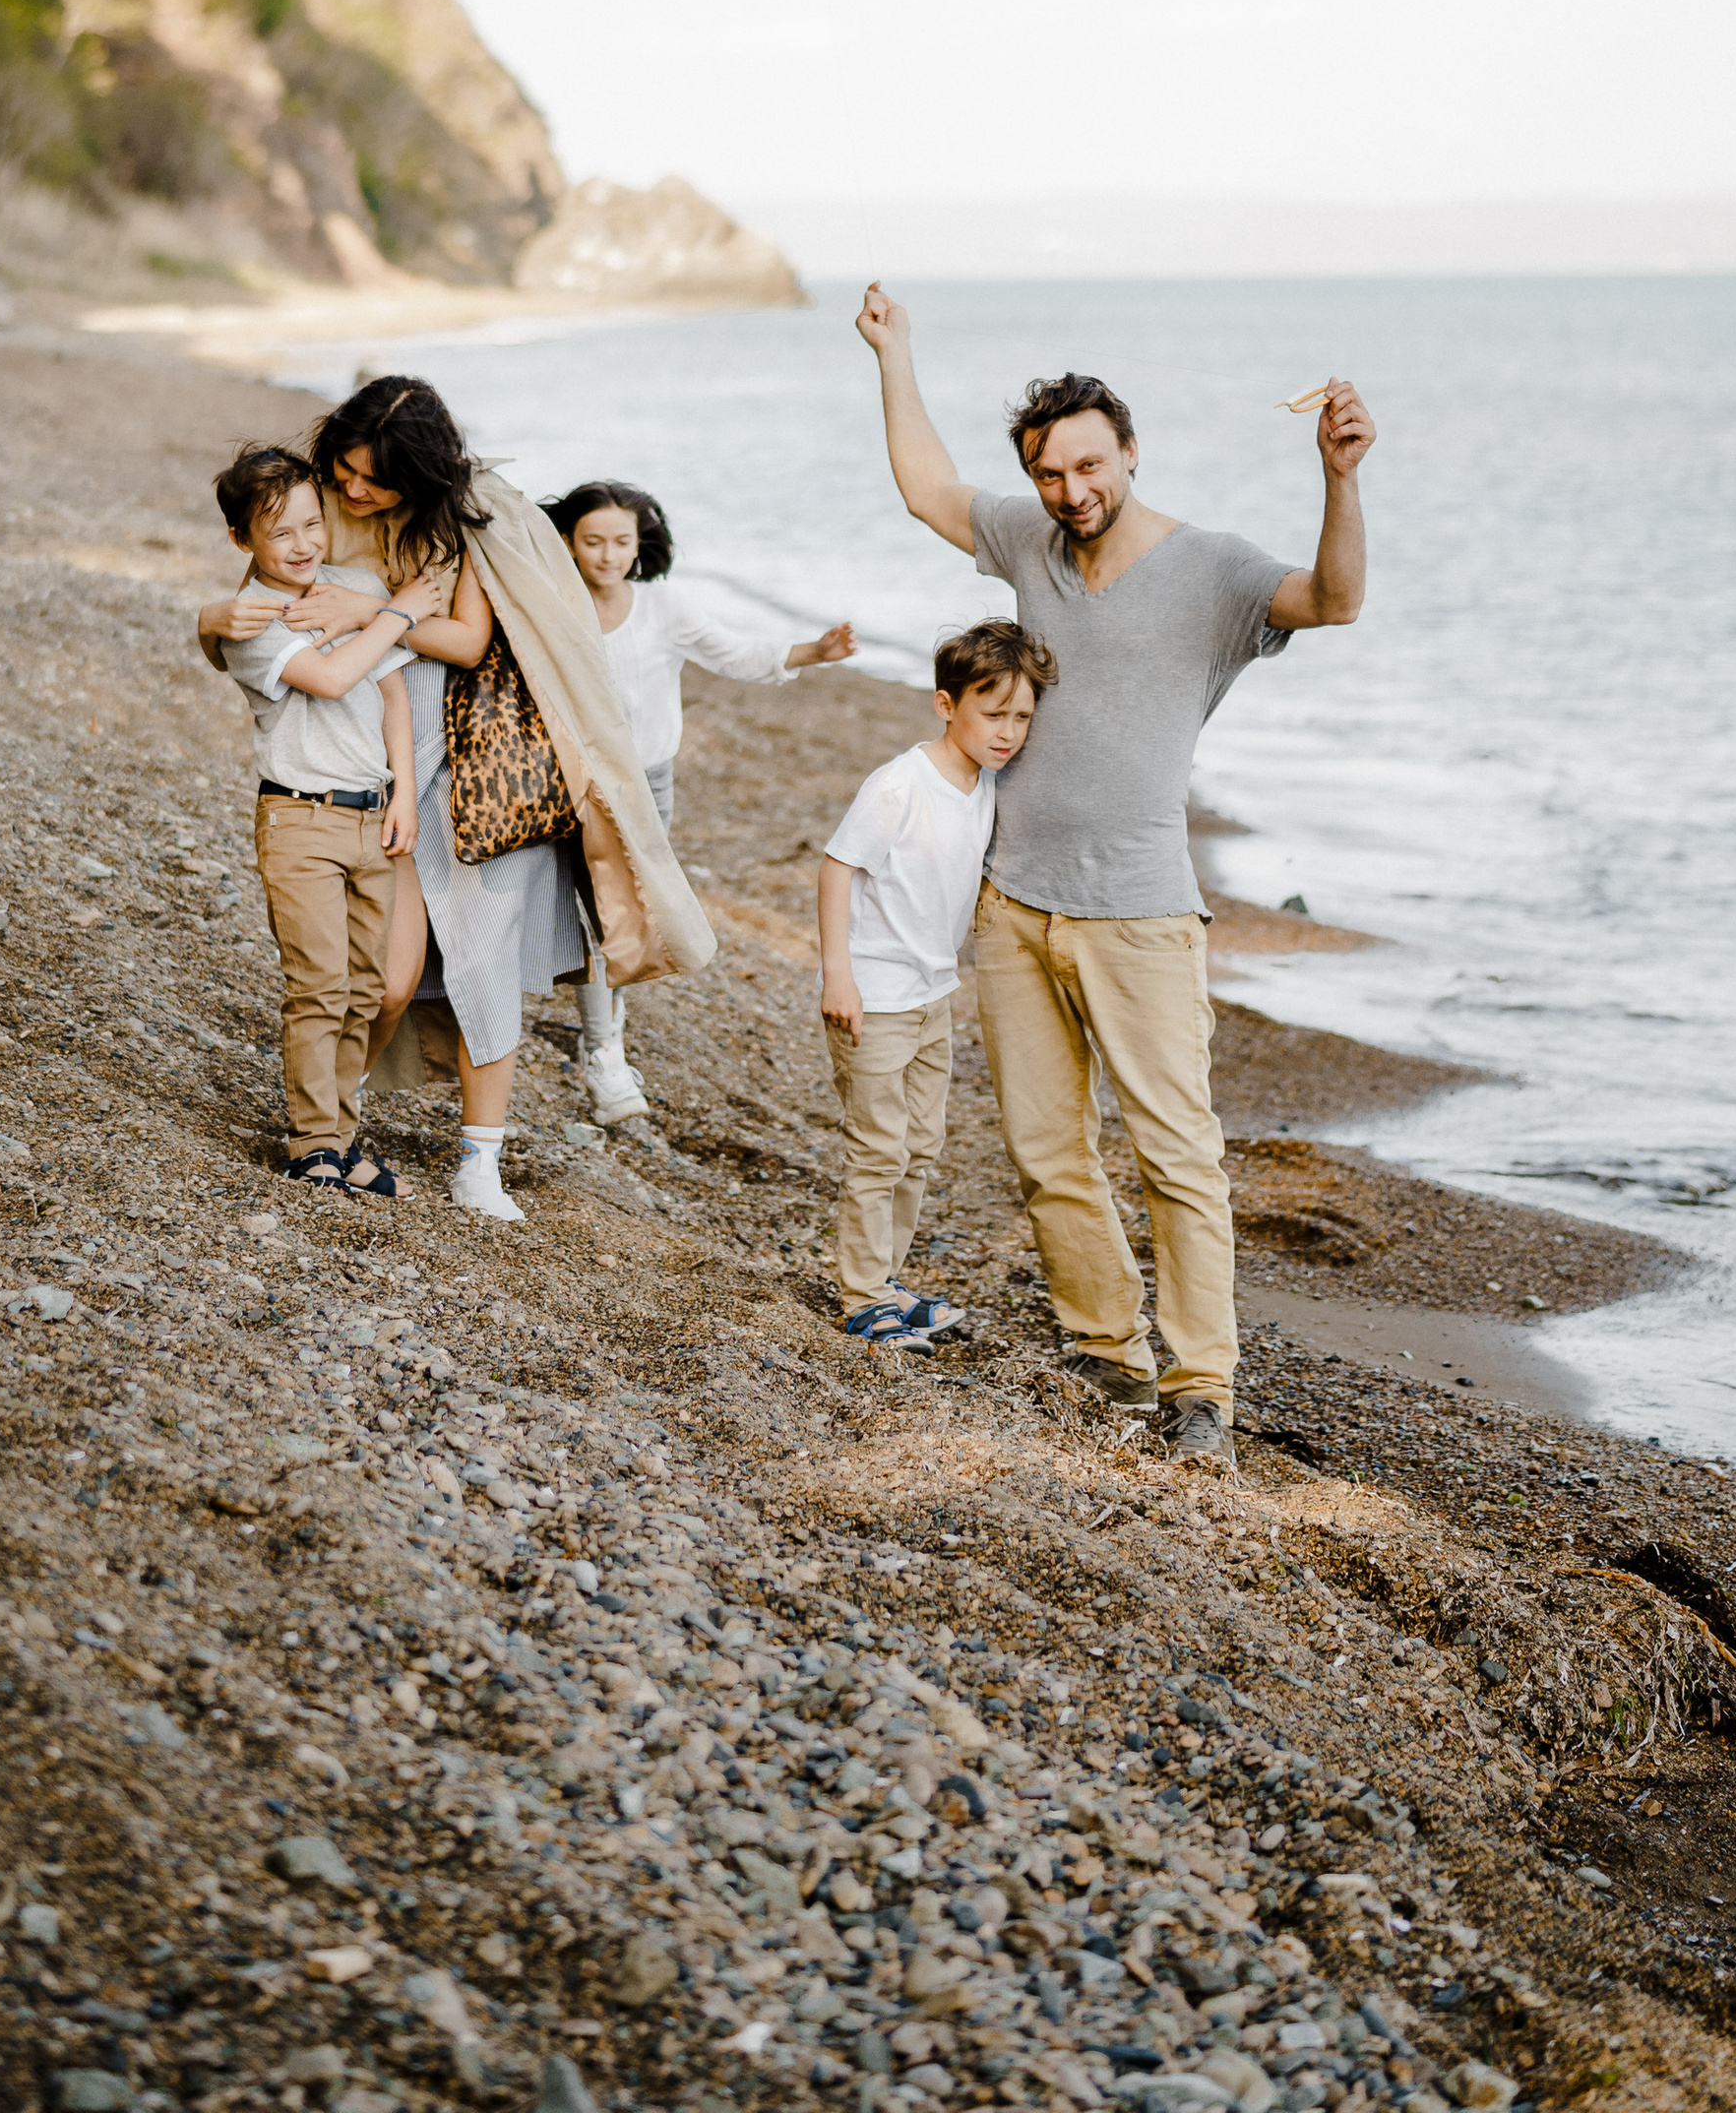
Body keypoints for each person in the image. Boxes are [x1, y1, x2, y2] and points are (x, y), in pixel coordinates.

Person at [855, 285, 1376, 1468]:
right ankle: (1106, 1349)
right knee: (1047, 1152)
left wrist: (1340, 474)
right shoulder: (1030, 546)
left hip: (1140, 912)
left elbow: (1337, 600)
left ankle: (1201, 1386)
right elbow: (928, 489)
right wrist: (896, 355)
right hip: (1013, 904)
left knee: (1176, 1155)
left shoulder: (1217, 575)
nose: (1072, 493)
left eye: (1091, 468)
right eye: (1050, 475)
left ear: (1130, 454)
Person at [265, 376, 712, 1224]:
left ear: (421, 472)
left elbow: (471, 641)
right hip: (386, 765)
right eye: (347, 470)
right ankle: (331, 1116)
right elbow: (273, 584)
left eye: (375, 477)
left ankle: (481, 1163)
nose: (356, 489)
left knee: (485, 969)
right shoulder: (326, 507)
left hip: (483, 771)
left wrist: (373, 609)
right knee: (387, 978)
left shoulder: (473, 519)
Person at [543, 476, 855, 1121]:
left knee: (625, 920)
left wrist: (815, 652)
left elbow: (735, 654)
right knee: (603, 916)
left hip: (650, 785)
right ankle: (603, 1057)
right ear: (569, 543)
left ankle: (606, 1046)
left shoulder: (664, 608)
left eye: (620, 542)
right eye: (592, 541)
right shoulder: (554, 606)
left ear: (640, 544)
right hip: (577, 782)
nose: (606, 555)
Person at [819, 618, 1054, 1354]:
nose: (1008, 731)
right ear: (946, 705)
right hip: (874, 997)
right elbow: (837, 868)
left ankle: (885, 1283)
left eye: (1021, 716)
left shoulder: (984, 782)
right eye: (994, 713)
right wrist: (838, 975)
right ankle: (862, 1297)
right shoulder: (899, 785)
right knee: (878, 1148)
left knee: (920, 1147)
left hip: (931, 997)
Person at [194, 441, 420, 1197]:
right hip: (299, 821)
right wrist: (398, 615)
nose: (301, 546)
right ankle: (312, 1142)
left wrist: (407, 795)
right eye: (280, 532)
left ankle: (343, 1134)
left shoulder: (352, 586)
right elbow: (328, 678)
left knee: (364, 989)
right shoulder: (250, 618)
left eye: (311, 525)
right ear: (243, 541)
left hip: (371, 816)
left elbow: (393, 698)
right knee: (318, 986)